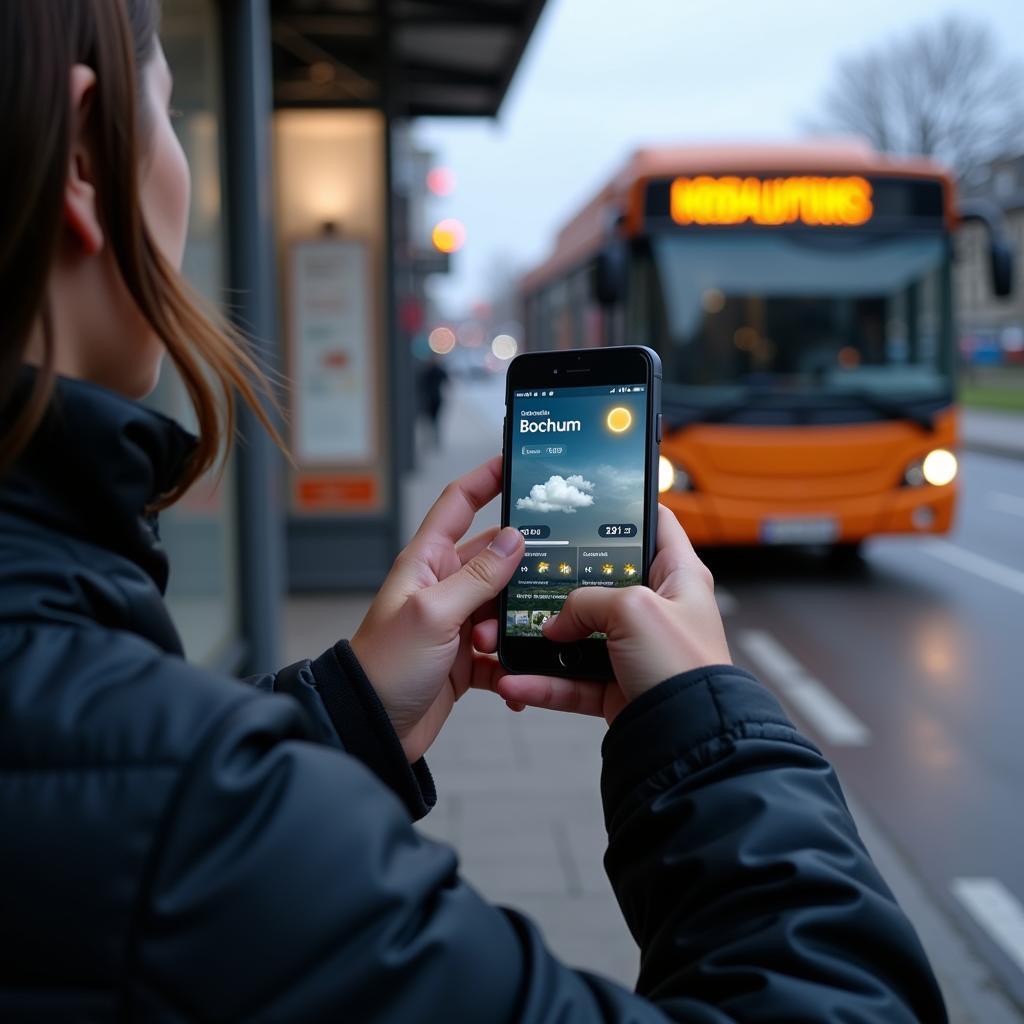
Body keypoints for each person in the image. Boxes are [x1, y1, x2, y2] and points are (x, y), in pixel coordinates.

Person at [0, 2, 947, 1021]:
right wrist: (713, 734)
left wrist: (347, 714)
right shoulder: (185, 814)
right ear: (87, 161)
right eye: (171, 119)